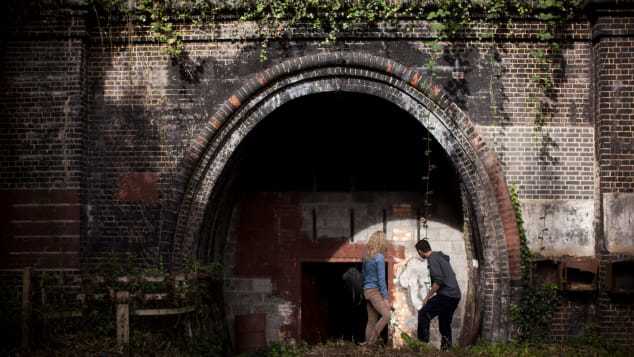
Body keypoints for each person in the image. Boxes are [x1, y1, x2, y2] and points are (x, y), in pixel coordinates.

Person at [415, 239, 461, 351]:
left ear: (420, 251)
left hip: (447, 295)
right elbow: (446, 263)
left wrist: (427, 297)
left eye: (418, 252)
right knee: (444, 323)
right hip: (455, 296)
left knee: (423, 313)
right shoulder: (439, 256)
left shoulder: (432, 259)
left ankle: (422, 346)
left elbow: (438, 281)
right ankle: (446, 350)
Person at [361, 230, 391, 345]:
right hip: (374, 291)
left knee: (371, 320)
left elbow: (363, 274)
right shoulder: (379, 257)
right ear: (381, 242)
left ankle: (367, 344)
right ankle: (371, 342)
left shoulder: (366, 256)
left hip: (366, 291)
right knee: (387, 315)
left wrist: (366, 287)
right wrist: (386, 299)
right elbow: (381, 280)